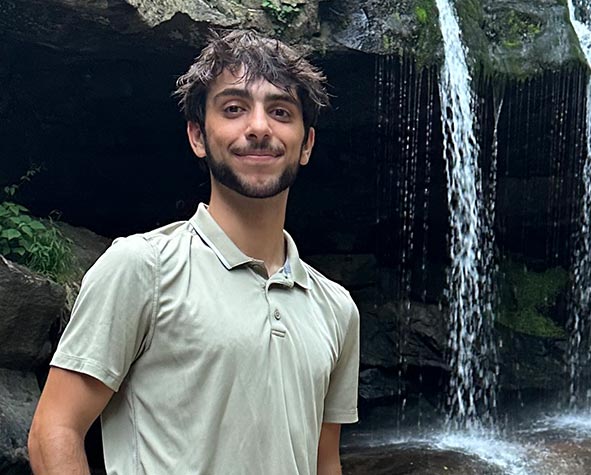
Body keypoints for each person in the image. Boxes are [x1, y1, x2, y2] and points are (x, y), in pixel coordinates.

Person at [28, 29, 360, 475]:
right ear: (198, 136)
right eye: (234, 108)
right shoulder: (142, 268)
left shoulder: (337, 309)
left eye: (280, 111)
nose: (259, 127)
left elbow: (324, 461)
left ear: (307, 144)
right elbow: (55, 431)